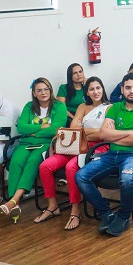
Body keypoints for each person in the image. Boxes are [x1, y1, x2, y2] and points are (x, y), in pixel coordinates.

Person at [75, 73, 133, 237]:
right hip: (112, 154)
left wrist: (116, 135)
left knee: (127, 179)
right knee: (81, 176)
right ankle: (106, 213)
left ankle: (123, 216)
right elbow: (104, 134)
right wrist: (131, 133)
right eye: (128, 87)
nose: (131, 91)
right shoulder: (114, 108)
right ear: (122, 89)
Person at [36, 76, 110, 230]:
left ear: (103, 89)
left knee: (71, 167)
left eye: (98, 88)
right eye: (91, 89)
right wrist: (90, 131)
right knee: (45, 166)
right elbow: (74, 128)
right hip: (75, 144)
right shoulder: (82, 106)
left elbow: (103, 134)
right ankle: (52, 206)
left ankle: (75, 210)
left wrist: (83, 130)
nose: (95, 92)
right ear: (86, 92)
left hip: (97, 147)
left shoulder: (110, 108)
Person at [0, 78, 67, 223]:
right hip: (26, 143)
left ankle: (13, 200)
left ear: (50, 90)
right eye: (39, 90)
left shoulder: (59, 106)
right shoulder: (29, 106)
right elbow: (21, 127)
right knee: (16, 162)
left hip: (46, 143)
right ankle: (15, 204)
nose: (43, 92)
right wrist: (42, 127)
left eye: (46, 89)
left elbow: (55, 129)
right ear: (34, 93)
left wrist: (34, 133)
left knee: (32, 162)